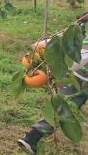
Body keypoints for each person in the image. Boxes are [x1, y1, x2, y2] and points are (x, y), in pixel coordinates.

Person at [17, 11, 88, 154]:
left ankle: (32, 136)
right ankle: (32, 136)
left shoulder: (80, 25)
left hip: (73, 74)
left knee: (62, 108)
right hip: (81, 78)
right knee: (63, 110)